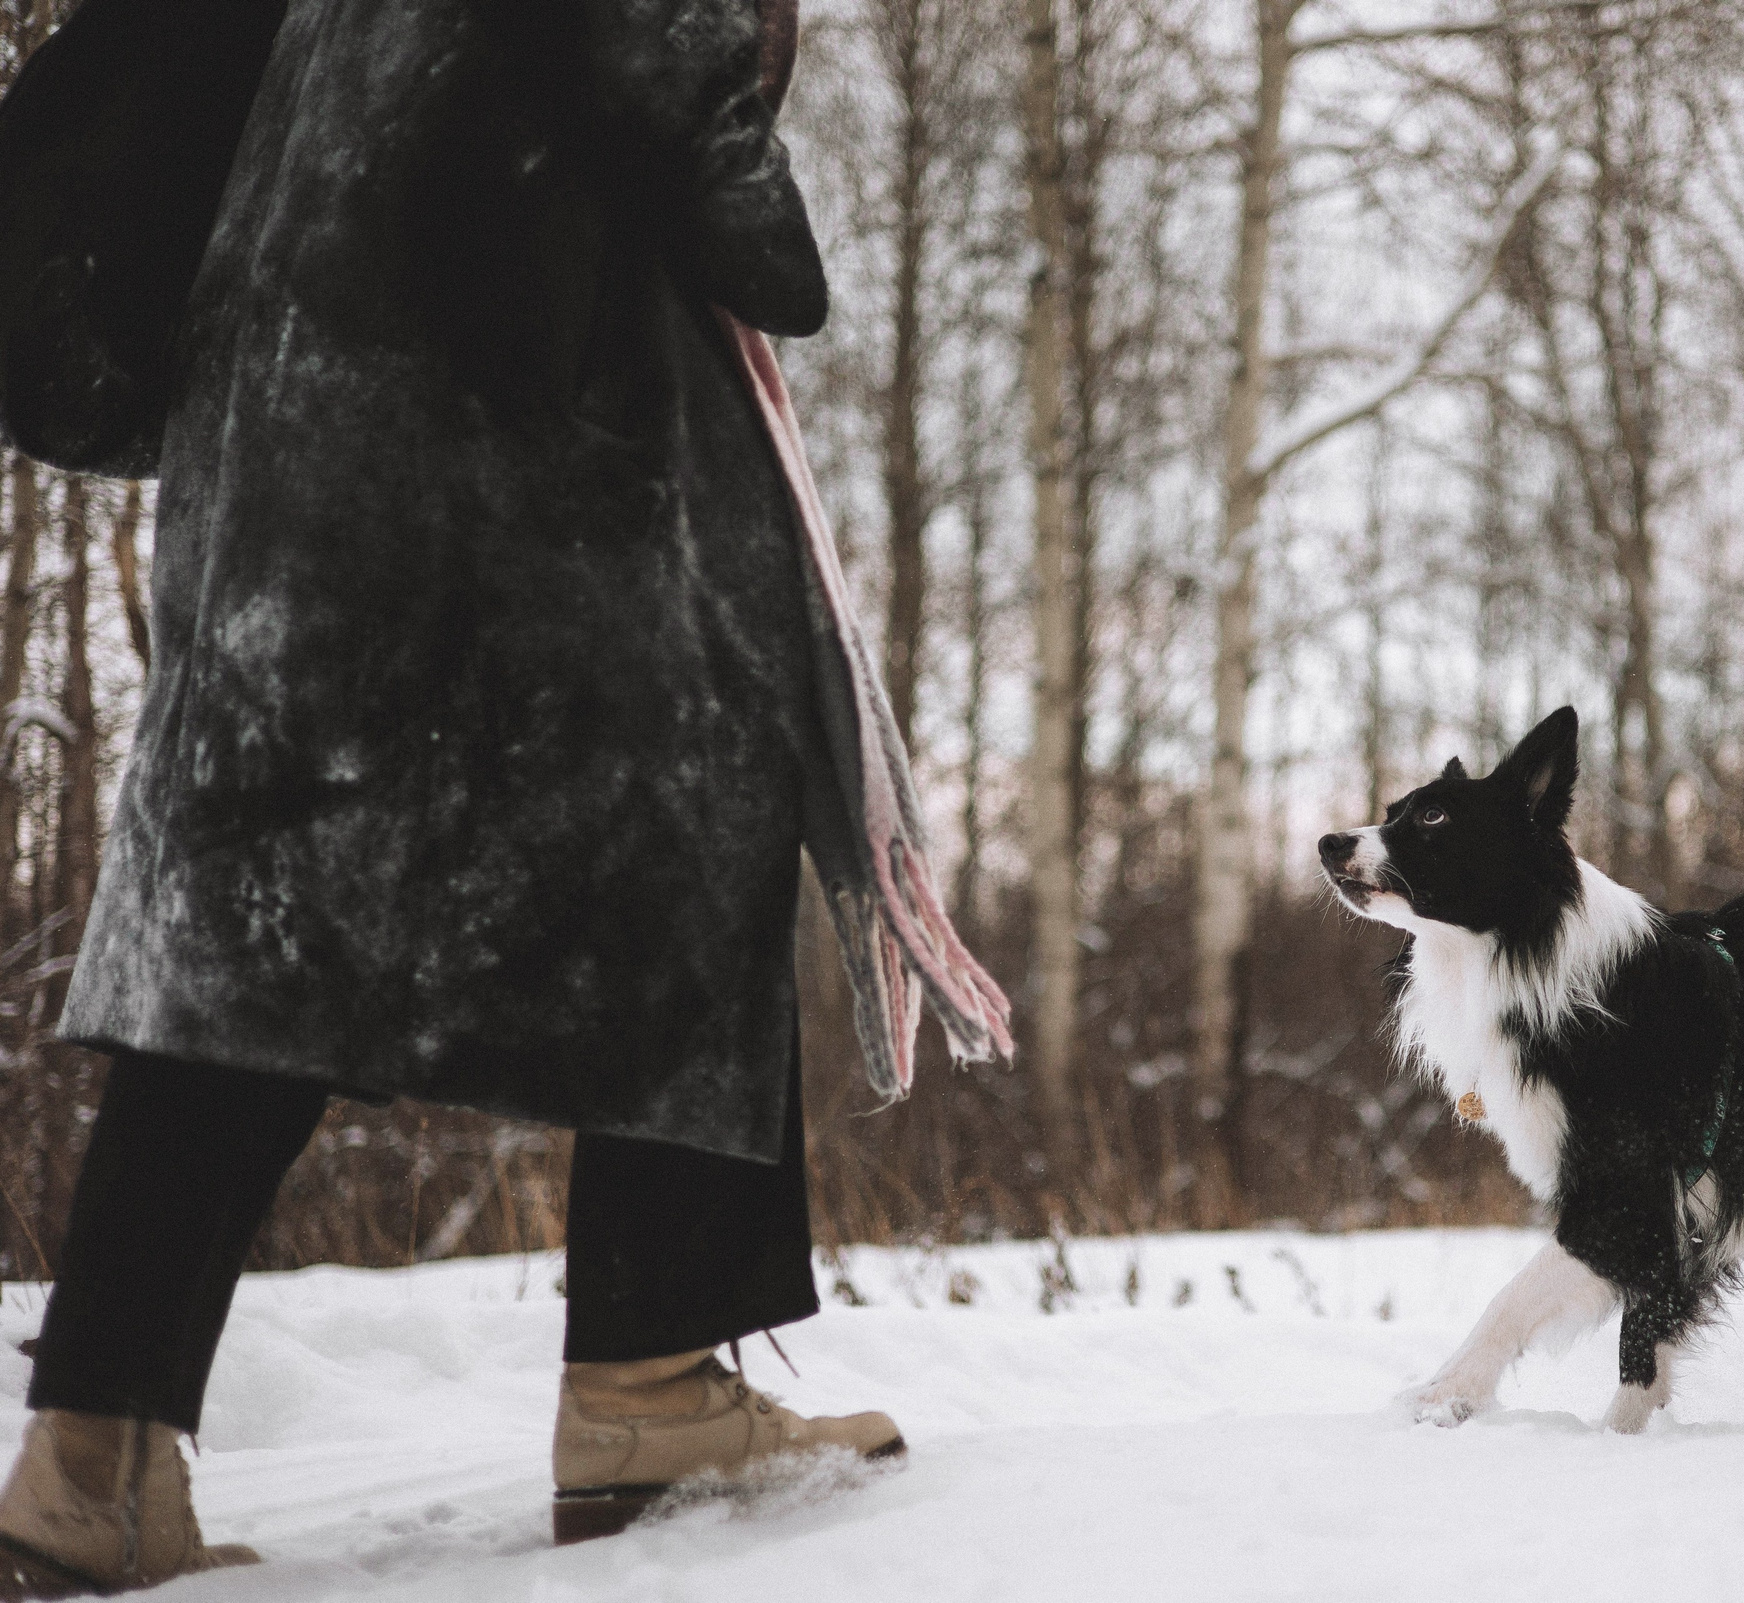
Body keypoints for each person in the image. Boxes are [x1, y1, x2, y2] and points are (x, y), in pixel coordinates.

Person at [0, 0, 1005, 1592]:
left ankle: (94, 1455)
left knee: (258, 929)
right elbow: (715, 168)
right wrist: (749, 173)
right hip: (507, 444)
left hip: (285, 441)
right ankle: (650, 1386)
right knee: (700, 823)